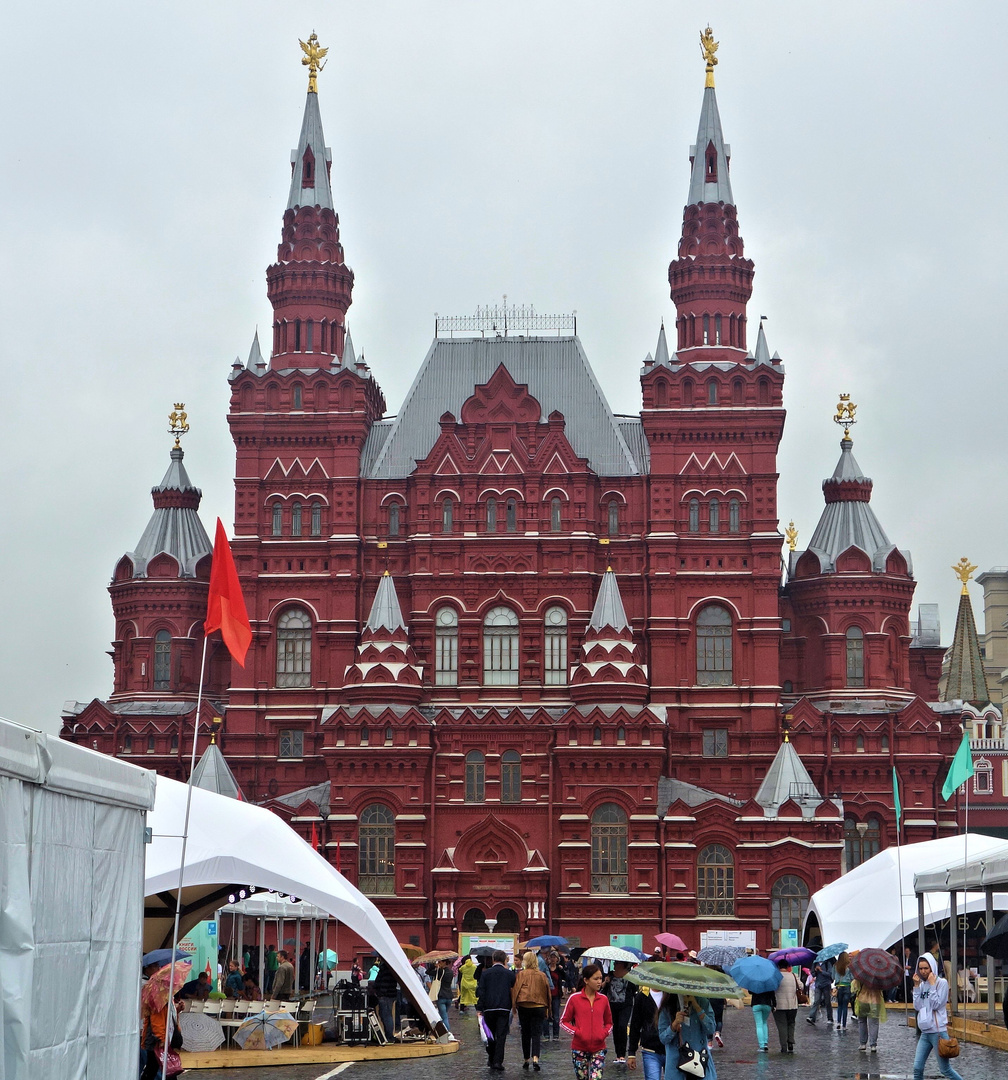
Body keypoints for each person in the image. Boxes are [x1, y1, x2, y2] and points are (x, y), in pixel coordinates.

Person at [912, 955, 965, 1080]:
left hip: (938, 1032)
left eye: (926, 968)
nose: (923, 971)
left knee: (945, 1069)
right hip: (925, 1033)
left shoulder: (942, 983)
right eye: (920, 968)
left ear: (932, 967)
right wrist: (916, 987)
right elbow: (918, 1006)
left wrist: (932, 985)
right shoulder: (921, 985)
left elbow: (937, 1005)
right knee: (917, 1068)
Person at [560, 962, 613, 1080]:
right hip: (579, 1048)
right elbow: (563, 1021)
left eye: (601, 978)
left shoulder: (603, 999)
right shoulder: (574, 998)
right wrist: (578, 1032)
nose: (599, 981)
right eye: (596, 979)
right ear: (586, 980)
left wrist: (603, 1033)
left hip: (599, 1048)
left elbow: (609, 1022)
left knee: (596, 1078)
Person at [658, 992, 715, 1080]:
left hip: (700, 1063)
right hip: (676, 1065)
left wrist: (697, 1007)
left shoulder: (703, 1002)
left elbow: (711, 1029)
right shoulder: (668, 1005)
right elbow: (663, 1038)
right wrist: (674, 1024)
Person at [513, 950, 552, 1070]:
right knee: (536, 1033)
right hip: (539, 1006)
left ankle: (526, 1059)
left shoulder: (522, 974)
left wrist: (514, 1006)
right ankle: (536, 1058)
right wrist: (548, 1010)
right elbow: (547, 993)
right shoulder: (542, 975)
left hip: (524, 1005)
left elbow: (516, 990)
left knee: (525, 1033)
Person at [478, 950, 516, 1072]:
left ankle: (491, 1057)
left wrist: (480, 1007)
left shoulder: (485, 974)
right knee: (501, 1035)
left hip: (489, 1008)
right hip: (504, 1008)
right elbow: (513, 989)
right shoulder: (509, 974)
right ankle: (498, 1062)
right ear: (505, 959)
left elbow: (481, 991)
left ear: (493, 959)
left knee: (490, 1034)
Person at [627, 985, 665, 1080]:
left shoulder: (671, 996)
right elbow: (635, 1025)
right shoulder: (642, 996)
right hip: (650, 1049)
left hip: (671, 1048)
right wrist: (632, 1052)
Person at [603, 960, 637, 1064]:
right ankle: (618, 1054)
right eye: (615, 963)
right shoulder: (610, 975)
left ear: (623, 964)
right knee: (616, 1028)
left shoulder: (630, 976)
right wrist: (606, 982)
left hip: (625, 1005)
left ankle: (622, 1054)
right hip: (612, 1004)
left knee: (622, 1026)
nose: (615, 964)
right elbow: (603, 990)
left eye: (617, 963)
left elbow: (634, 990)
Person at [852, 977, 886, 1052]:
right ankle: (873, 1044)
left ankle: (863, 1044)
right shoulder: (879, 974)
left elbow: (854, 987)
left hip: (862, 1000)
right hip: (875, 1000)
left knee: (862, 1021)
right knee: (874, 1023)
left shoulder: (862, 973)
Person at [773, 960, 800, 1054]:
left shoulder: (776, 977)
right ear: (787, 966)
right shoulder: (794, 975)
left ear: (779, 966)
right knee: (791, 1023)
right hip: (793, 1005)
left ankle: (783, 1046)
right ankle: (791, 1043)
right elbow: (801, 986)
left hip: (779, 1005)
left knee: (782, 1025)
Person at [374, 957, 400, 1040]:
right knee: (386, 1015)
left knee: (386, 1015)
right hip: (390, 994)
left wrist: (381, 993)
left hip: (386, 995)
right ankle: (388, 1035)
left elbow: (385, 981)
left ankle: (389, 1036)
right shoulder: (391, 968)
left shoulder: (385, 968)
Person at [547, 952, 566, 1039]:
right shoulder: (546, 969)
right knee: (546, 1015)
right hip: (547, 995)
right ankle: (546, 1034)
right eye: (551, 957)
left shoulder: (559, 970)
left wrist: (572, 987)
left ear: (557, 959)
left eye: (555, 957)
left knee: (556, 1016)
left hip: (556, 995)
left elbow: (567, 978)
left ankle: (555, 1034)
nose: (553, 959)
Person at [434, 957, 456, 1032]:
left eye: (440, 962)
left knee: (444, 1017)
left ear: (444, 962)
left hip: (441, 996)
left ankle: (447, 1032)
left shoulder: (439, 971)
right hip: (449, 996)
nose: (439, 963)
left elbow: (428, 972)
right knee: (445, 1015)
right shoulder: (450, 972)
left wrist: (434, 966)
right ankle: (444, 1031)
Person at [749, 988, 774, 1052]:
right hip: (767, 1004)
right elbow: (772, 994)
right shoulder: (769, 981)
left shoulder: (754, 981)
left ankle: (761, 1046)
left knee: (759, 1024)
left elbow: (750, 991)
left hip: (756, 1004)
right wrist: (774, 1004)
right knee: (764, 1022)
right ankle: (765, 1043)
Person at [834, 952, 853, 1030]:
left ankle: (838, 1022)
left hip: (839, 987)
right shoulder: (849, 967)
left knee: (840, 1006)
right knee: (845, 1006)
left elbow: (833, 976)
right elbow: (852, 977)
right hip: (847, 987)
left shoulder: (835, 966)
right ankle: (844, 1025)